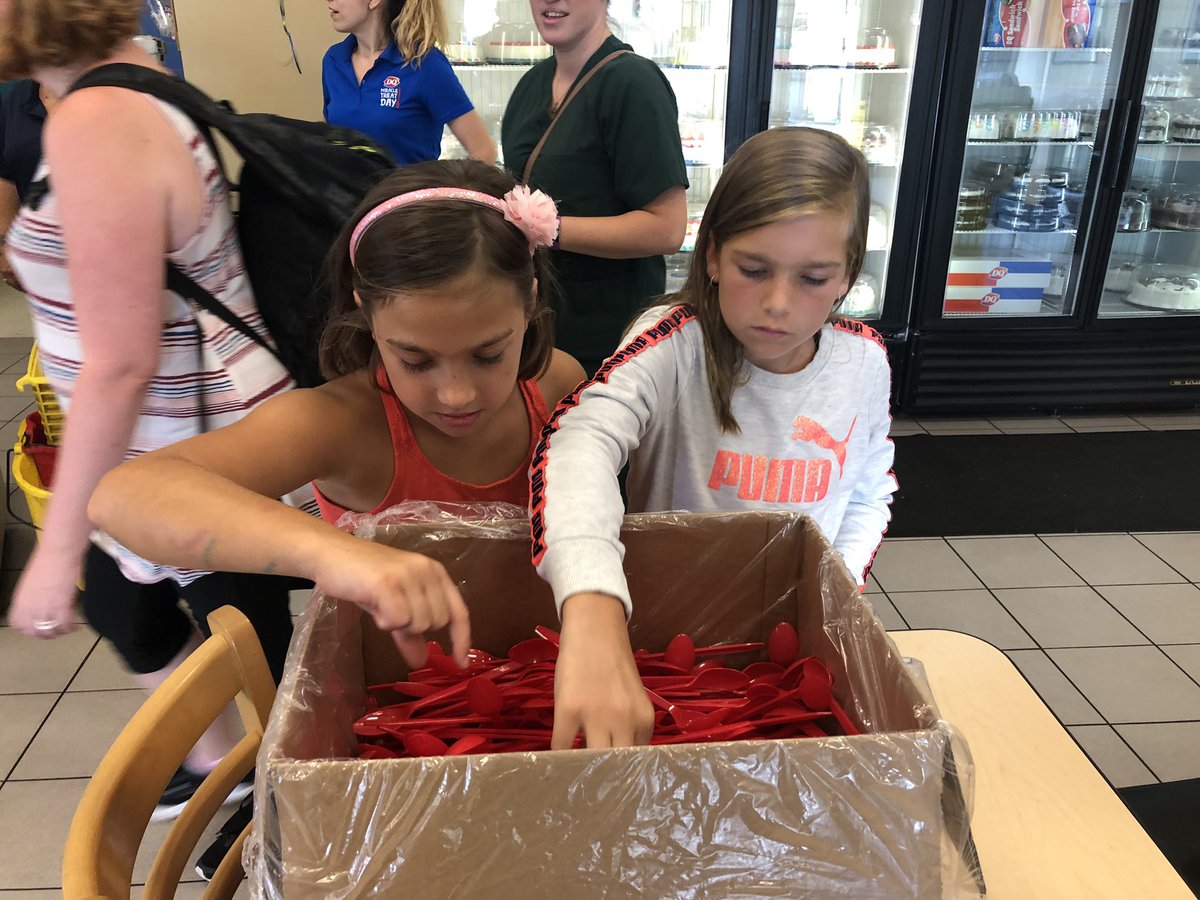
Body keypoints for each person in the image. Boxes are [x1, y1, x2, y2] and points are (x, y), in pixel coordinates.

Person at [0, 0, 312, 818]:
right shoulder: (138, 83)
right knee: (130, 607)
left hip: (186, 463)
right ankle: (234, 779)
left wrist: (55, 545)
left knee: (263, 691)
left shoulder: (96, 120)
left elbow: (122, 362)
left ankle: (262, 808)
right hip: (189, 446)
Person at [90, 158, 584, 670]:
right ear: (366, 314)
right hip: (394, 691)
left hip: (548, 662)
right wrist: (335, 553)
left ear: (530, 301)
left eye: (488, 355)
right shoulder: (339, 425)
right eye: (415, 360)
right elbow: (124, 496)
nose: (456, 395)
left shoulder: (558, 383)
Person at [528, 126, 898, 751]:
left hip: (788, 654)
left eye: (813, 277)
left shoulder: (864, 362)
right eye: (754, 269)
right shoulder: (673, 343)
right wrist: (591, 601)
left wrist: (840, 594)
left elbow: (868, 490)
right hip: (668, 647)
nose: (778, 303)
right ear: (713, 256)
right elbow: (579, 440)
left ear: (847, 276)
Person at [501, 0, 689, 376]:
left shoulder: (633, 83)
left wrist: (547, 229)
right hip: (540, 324)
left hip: (608, 337)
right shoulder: (531, 85)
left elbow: (667, 228)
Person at [323, 0, 495, 165]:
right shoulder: (333, 60)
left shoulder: (424, 64)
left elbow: (484, 153)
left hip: (403, 193)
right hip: (346, 194)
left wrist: (443, 192)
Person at [0, 78, 53, 290]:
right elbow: (4, 173)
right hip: (44, 265)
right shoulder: (20, 96)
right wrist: (5, 245)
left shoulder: (112, 92)